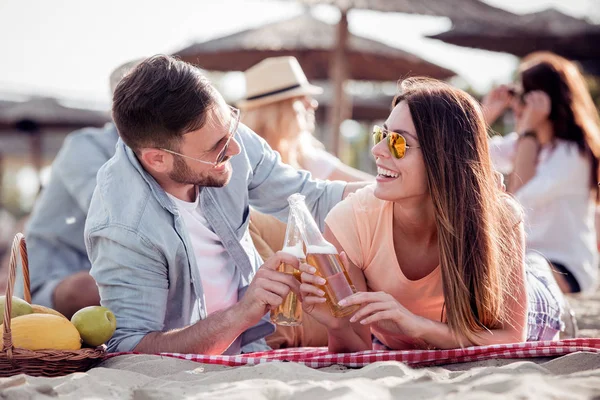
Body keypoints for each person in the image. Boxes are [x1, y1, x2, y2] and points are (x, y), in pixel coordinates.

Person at [85, 55, 366, 355]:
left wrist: (408, 190)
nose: (235, 149)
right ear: (158, 159)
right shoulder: (124, 225)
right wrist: (242, 313)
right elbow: (132, 348)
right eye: (217, 149)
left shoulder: (221, 135)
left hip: (256, 344)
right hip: (194, 371)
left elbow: (317, 198)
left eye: (232, 129)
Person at [299, 78, 565, 352]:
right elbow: (356, 353)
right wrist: (337, 326)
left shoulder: (496, 218)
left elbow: (510, 337)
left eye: (398, 143)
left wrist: (418, 325)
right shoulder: (350, 222)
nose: (377, 150)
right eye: (382, 135)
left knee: (542, 289)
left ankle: (537, 271)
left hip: (536, 314)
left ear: (444, 156)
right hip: (411, 339)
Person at [21, 59, 140, 317]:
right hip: (53, 277)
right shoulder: (84, 146)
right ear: (117, 105)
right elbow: (113, 214)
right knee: (91, 289)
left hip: (117, 271)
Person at [482, 51, 600, 294]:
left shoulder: (573, 156)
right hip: (524, 263)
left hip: (565, 269)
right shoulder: (524, 144)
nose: (515, 104)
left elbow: (515, 205)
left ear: (544, 100)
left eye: (521, 95)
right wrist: (485, 114)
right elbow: (465, 155)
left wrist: (527, 133)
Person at [238, 56, 374, 182]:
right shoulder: (237, 159)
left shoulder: (307, 158)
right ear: (275, 112)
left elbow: (371, 188)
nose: (313, 104)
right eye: (300, 98)